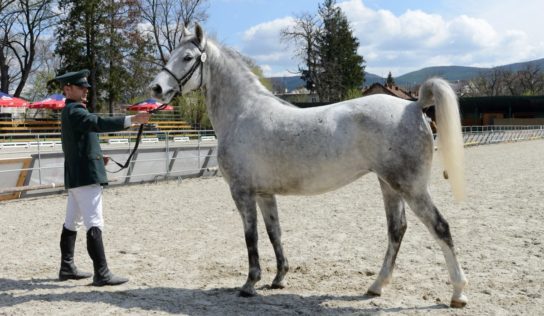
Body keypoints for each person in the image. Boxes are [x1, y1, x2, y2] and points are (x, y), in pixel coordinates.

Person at [56, 69, 151, 286]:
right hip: (86, 177)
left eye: (86, 87)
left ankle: (67, 267)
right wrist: (132, 119)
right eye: (81, 87)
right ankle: (102, 272)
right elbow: (97, 123)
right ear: (68, 89)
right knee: (94, 223)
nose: (86, 91)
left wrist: (98, 156)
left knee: (72, 222)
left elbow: (82, 141)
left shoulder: (71, 111)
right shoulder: (75, 111)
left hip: (78, 175)